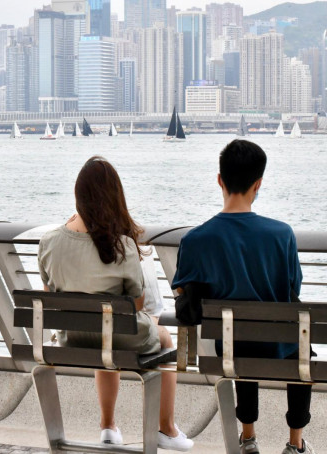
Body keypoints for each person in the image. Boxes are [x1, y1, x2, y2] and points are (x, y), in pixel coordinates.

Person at [38, 156, 193, 451]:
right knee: (161, 337)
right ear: (114, 197)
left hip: (71, 340)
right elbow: (136, 305)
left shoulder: (48, 242)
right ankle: (167, 428)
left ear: (77, 195)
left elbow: (50, 295)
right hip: (115, 333)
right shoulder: (122, 245)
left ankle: (108, 426)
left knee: (104, 333)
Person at [171, 139, 311, 454]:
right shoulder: (282, 234)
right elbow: (294, 289)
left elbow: (184, 292)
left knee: (238, 337)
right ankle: (295, 443)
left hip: (232, 347)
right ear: (258, 184)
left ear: (220, 180)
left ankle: (248, 437)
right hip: (279, 347)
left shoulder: (195, 240)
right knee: (300, 345)